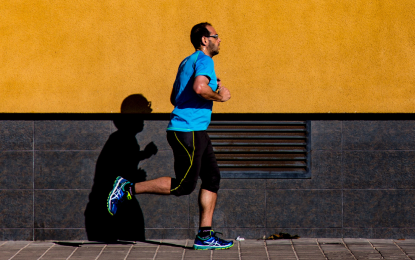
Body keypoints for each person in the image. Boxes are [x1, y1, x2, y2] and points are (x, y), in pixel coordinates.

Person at [106, 22, 232, 250]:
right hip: (188, 131)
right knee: (184, 186)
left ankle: (205, 235)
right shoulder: (205, 61)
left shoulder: (187, 62)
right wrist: (219, 95)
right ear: (205, 40)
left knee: (212, 179)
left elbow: (176, 97)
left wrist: (211, 85)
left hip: (195, 131)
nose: (220, 39)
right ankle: (127, 188)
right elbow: (199, 89)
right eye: (216, 36)